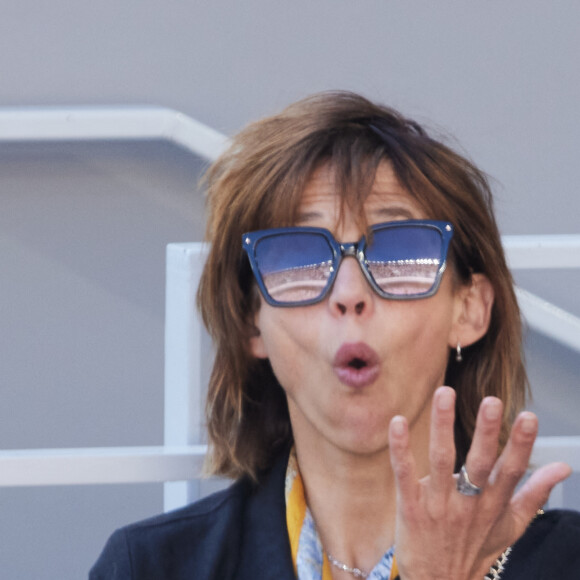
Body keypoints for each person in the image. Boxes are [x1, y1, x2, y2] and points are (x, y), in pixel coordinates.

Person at [90, 91, 580, 579]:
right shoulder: (149, 567)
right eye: (299, 257)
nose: (349, 292)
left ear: (469, 309)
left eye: (398, 252)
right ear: (249, 320)